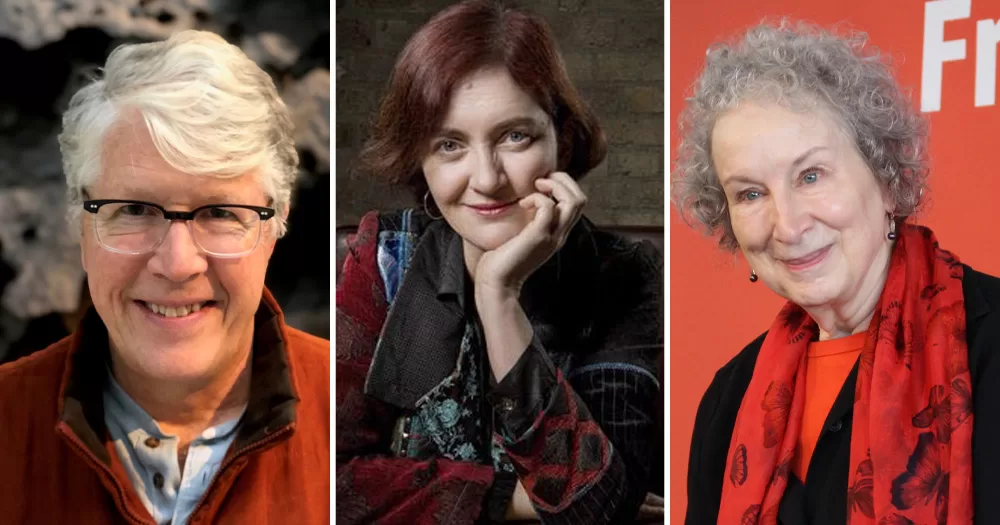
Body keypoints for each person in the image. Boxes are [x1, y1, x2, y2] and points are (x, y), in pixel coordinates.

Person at [335, 1, 663, 523]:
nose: (486, 179)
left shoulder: (623, 274)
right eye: (450, 144)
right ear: (419, 156)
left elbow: (598, 508)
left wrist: (498, 295)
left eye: (515, 136)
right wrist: (508, 499)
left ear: (564, 139)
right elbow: (333, 481)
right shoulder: (382, 259)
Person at [672, 20, 1000, 525]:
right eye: (751, 194)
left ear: (887, 180)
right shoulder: (729, 397)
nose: (788, 225)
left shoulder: (989, 342)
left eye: (811, 175)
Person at [0, 31, 330, 524]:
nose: (177, 264)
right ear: (79, 221)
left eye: (220, 212)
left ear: (275, 224)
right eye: (134, 209)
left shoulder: (349, 411)